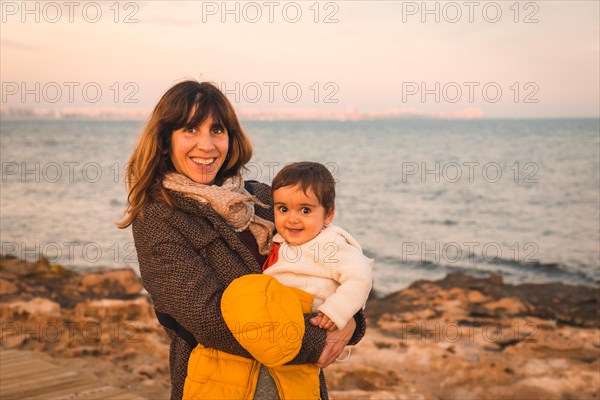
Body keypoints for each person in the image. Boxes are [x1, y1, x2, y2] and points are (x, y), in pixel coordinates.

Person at [118, 80, 366, 400]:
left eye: (217, 130)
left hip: (299, 385)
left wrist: (351, 319)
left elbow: (331, 258)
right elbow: (209, 320)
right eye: (190, 130)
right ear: (165, 141)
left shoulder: (262, 197)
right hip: (221, 386)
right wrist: (323, 340)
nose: (207, 146)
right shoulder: (158, 218)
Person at [184, 161, 374, 399]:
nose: (292, 219)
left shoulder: (331, 244)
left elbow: (361, 277)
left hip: (305, 324)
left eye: (305, 210)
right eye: (283, 209)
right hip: (275, 325)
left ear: (329, 214)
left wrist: (338, 312)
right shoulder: (281, 240)